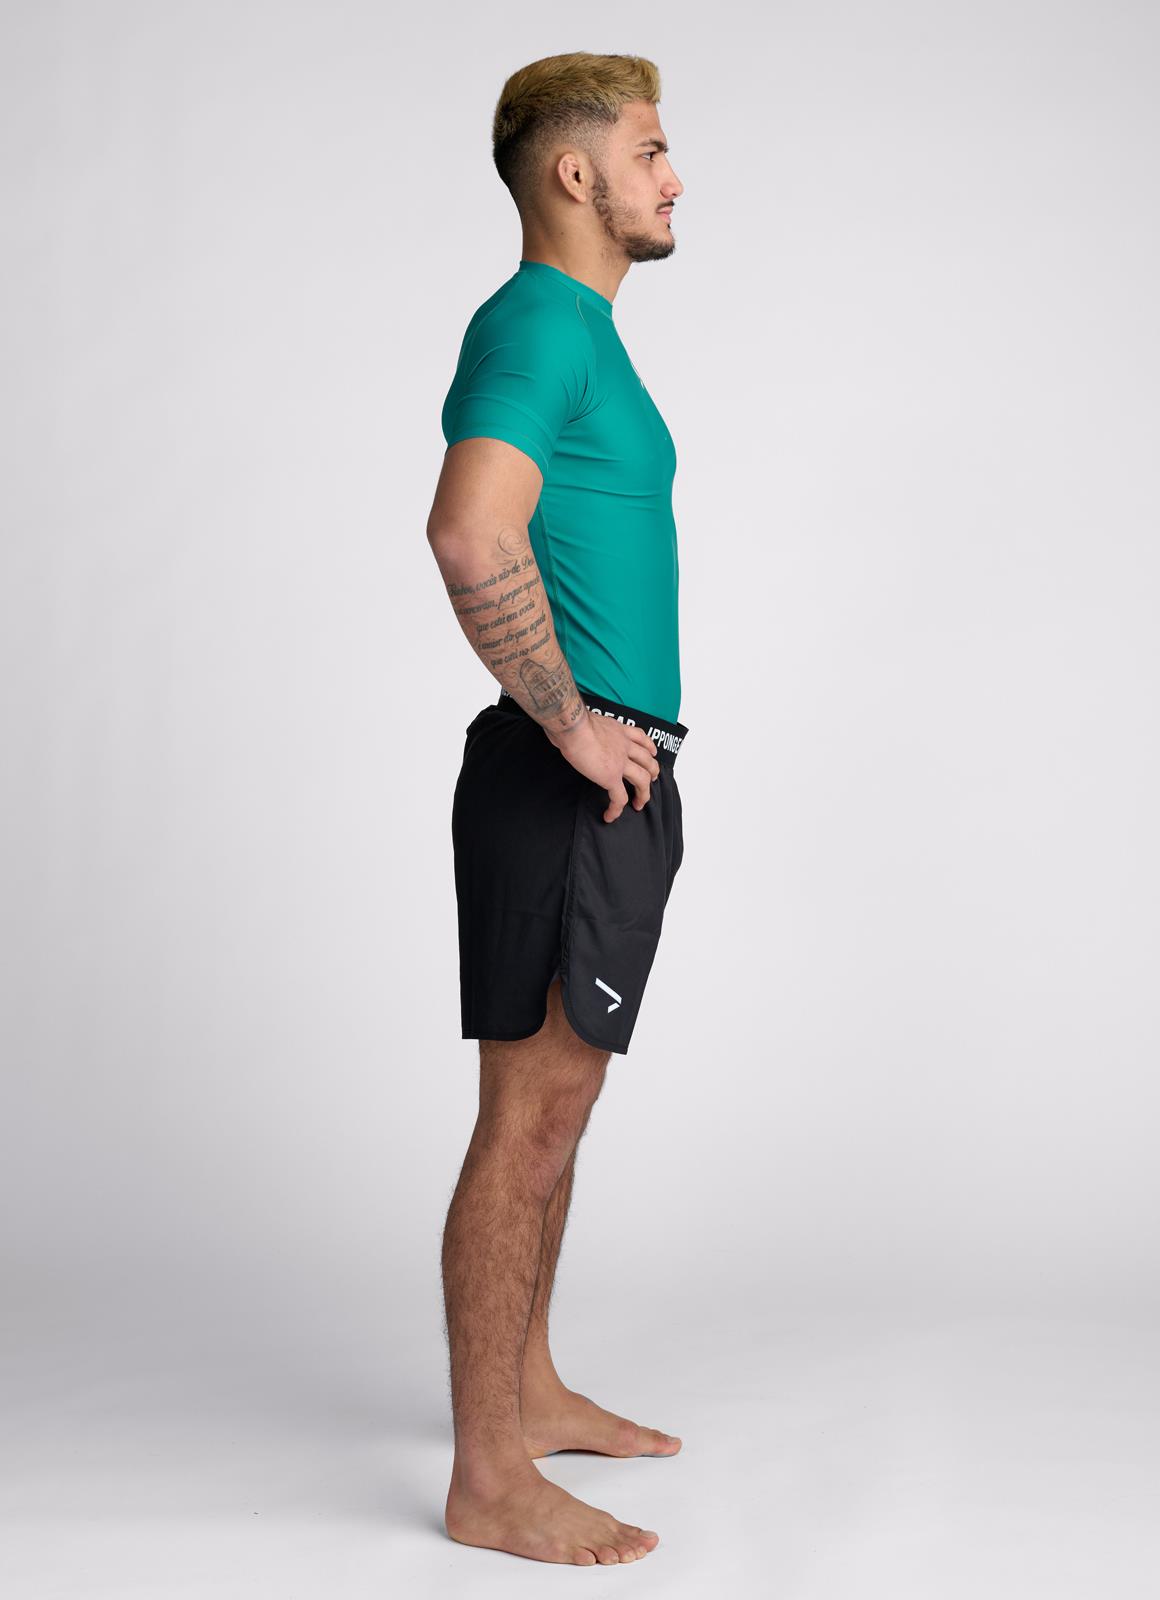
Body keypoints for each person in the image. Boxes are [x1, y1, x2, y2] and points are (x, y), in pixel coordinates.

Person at [425, 51, 689, 1567]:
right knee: (526, 1123)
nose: (674, 176)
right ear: (575, 175)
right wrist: (571, 723)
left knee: (558, 1110)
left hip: (606, 773)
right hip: (560, 778)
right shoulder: (536, 323)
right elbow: (472, 533)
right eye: (650, 149)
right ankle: (487, 1480)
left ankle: (525, 1391)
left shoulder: (582, 335)